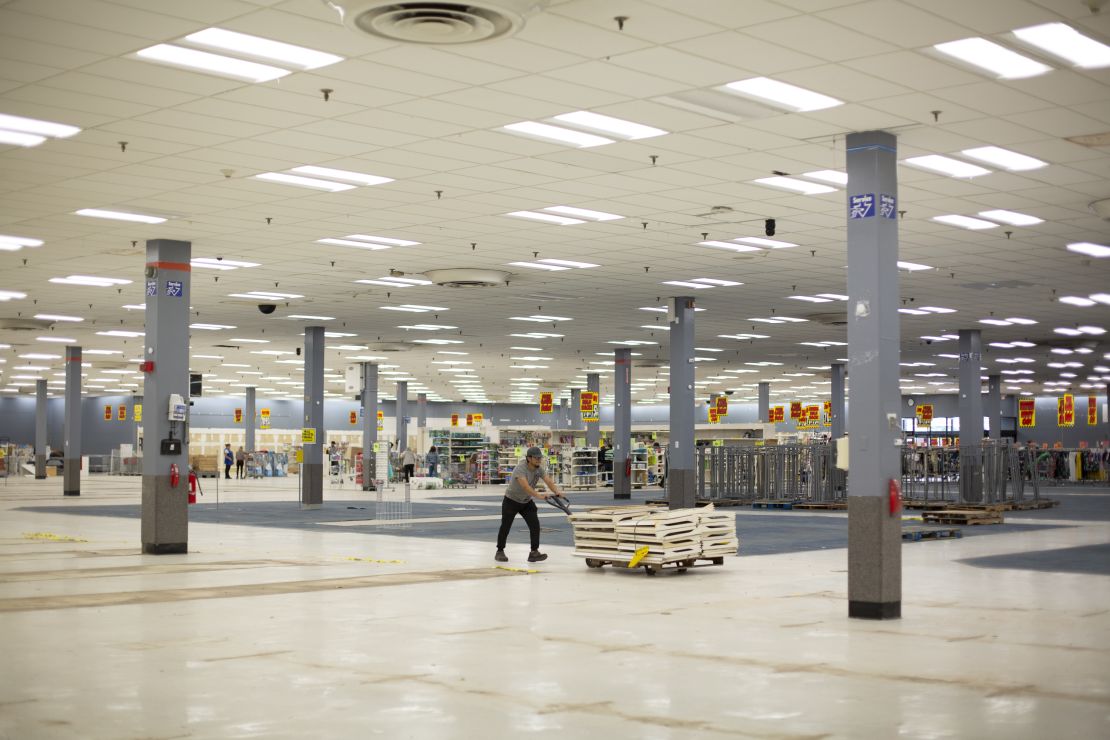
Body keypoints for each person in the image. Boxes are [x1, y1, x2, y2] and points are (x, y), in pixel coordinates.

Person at [495, 447, 568, 563]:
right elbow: (525, 486)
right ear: (529, 458)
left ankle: (534, 552)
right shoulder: (521, 468)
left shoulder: (539, 469)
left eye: (540, 457)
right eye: (536, 458)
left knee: (535, 525)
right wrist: (539, 496)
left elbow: (548, 481)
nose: (539, 460)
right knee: (505, 526)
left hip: (526, 501)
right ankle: (499, 551)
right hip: (511, 501)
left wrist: (556, 491)